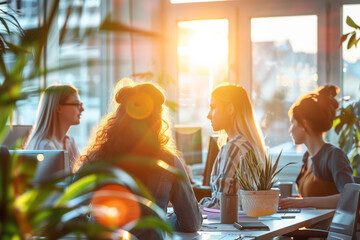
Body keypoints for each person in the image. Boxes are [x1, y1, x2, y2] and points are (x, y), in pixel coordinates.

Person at [77, 81, 202, 239]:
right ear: (158, 121)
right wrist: (160, 221)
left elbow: (69, 213)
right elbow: (191, 223)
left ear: (119, 117)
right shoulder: (169, 162)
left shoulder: (95, 160)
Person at [279, 85, 354, 209]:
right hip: (309, 225)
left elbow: (350, 198)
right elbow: (314, 197)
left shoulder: (334, 156)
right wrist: (290, 201)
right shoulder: (307, 157)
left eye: (293, 123)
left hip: (326, 228)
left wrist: (304, 202)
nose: (290, 129)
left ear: (304, 124)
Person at [199, 83, 267, 209]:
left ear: (230, 109)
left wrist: (192, 206)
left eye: (213, 107)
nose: (208, 115)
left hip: (230, 224)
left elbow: (221, 204)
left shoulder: (233, 148)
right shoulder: (252, 145)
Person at [24, 84, 84, 174]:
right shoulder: (45, 147)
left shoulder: (69, 141)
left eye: (81, 104)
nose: (82, 109)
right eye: (77, 104)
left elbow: (80, 173)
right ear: (59, 108)